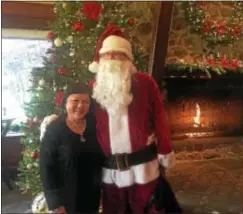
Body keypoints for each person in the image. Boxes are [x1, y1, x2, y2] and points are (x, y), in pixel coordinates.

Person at [88, 24, 180, 213]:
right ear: (101, 59)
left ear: (129, 59)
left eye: (118, 54)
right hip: (110, 169)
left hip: (142, 166)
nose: (112, 57)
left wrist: (165, 149)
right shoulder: (93, 87)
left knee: (147, 207)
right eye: (108, 54)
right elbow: (78, 113)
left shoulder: (145, 83)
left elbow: (160, 118)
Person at [39, 84, 105, 214]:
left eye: (85, 102)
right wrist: (56, 203)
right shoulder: (54, 130)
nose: (80, 106)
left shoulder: (94, 125)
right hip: (66, 198)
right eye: (75, 100)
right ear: (65, 103)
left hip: (92, 194)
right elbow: (46, 167)